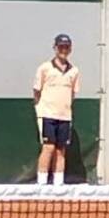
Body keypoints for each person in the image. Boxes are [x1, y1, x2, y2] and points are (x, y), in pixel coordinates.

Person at [33, 34, 82, 186]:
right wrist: (41, 109)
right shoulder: (44, 68)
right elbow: (36, 91)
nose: (63, 50)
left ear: (70, 49)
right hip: (47, 115)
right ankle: (41, 184)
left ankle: (58, 185)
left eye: (66, 47)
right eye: (61, 47)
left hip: (65, 116)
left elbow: (73, 93)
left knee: (61, 150)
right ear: (55, 48)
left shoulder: (74, 71)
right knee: (48, 148)